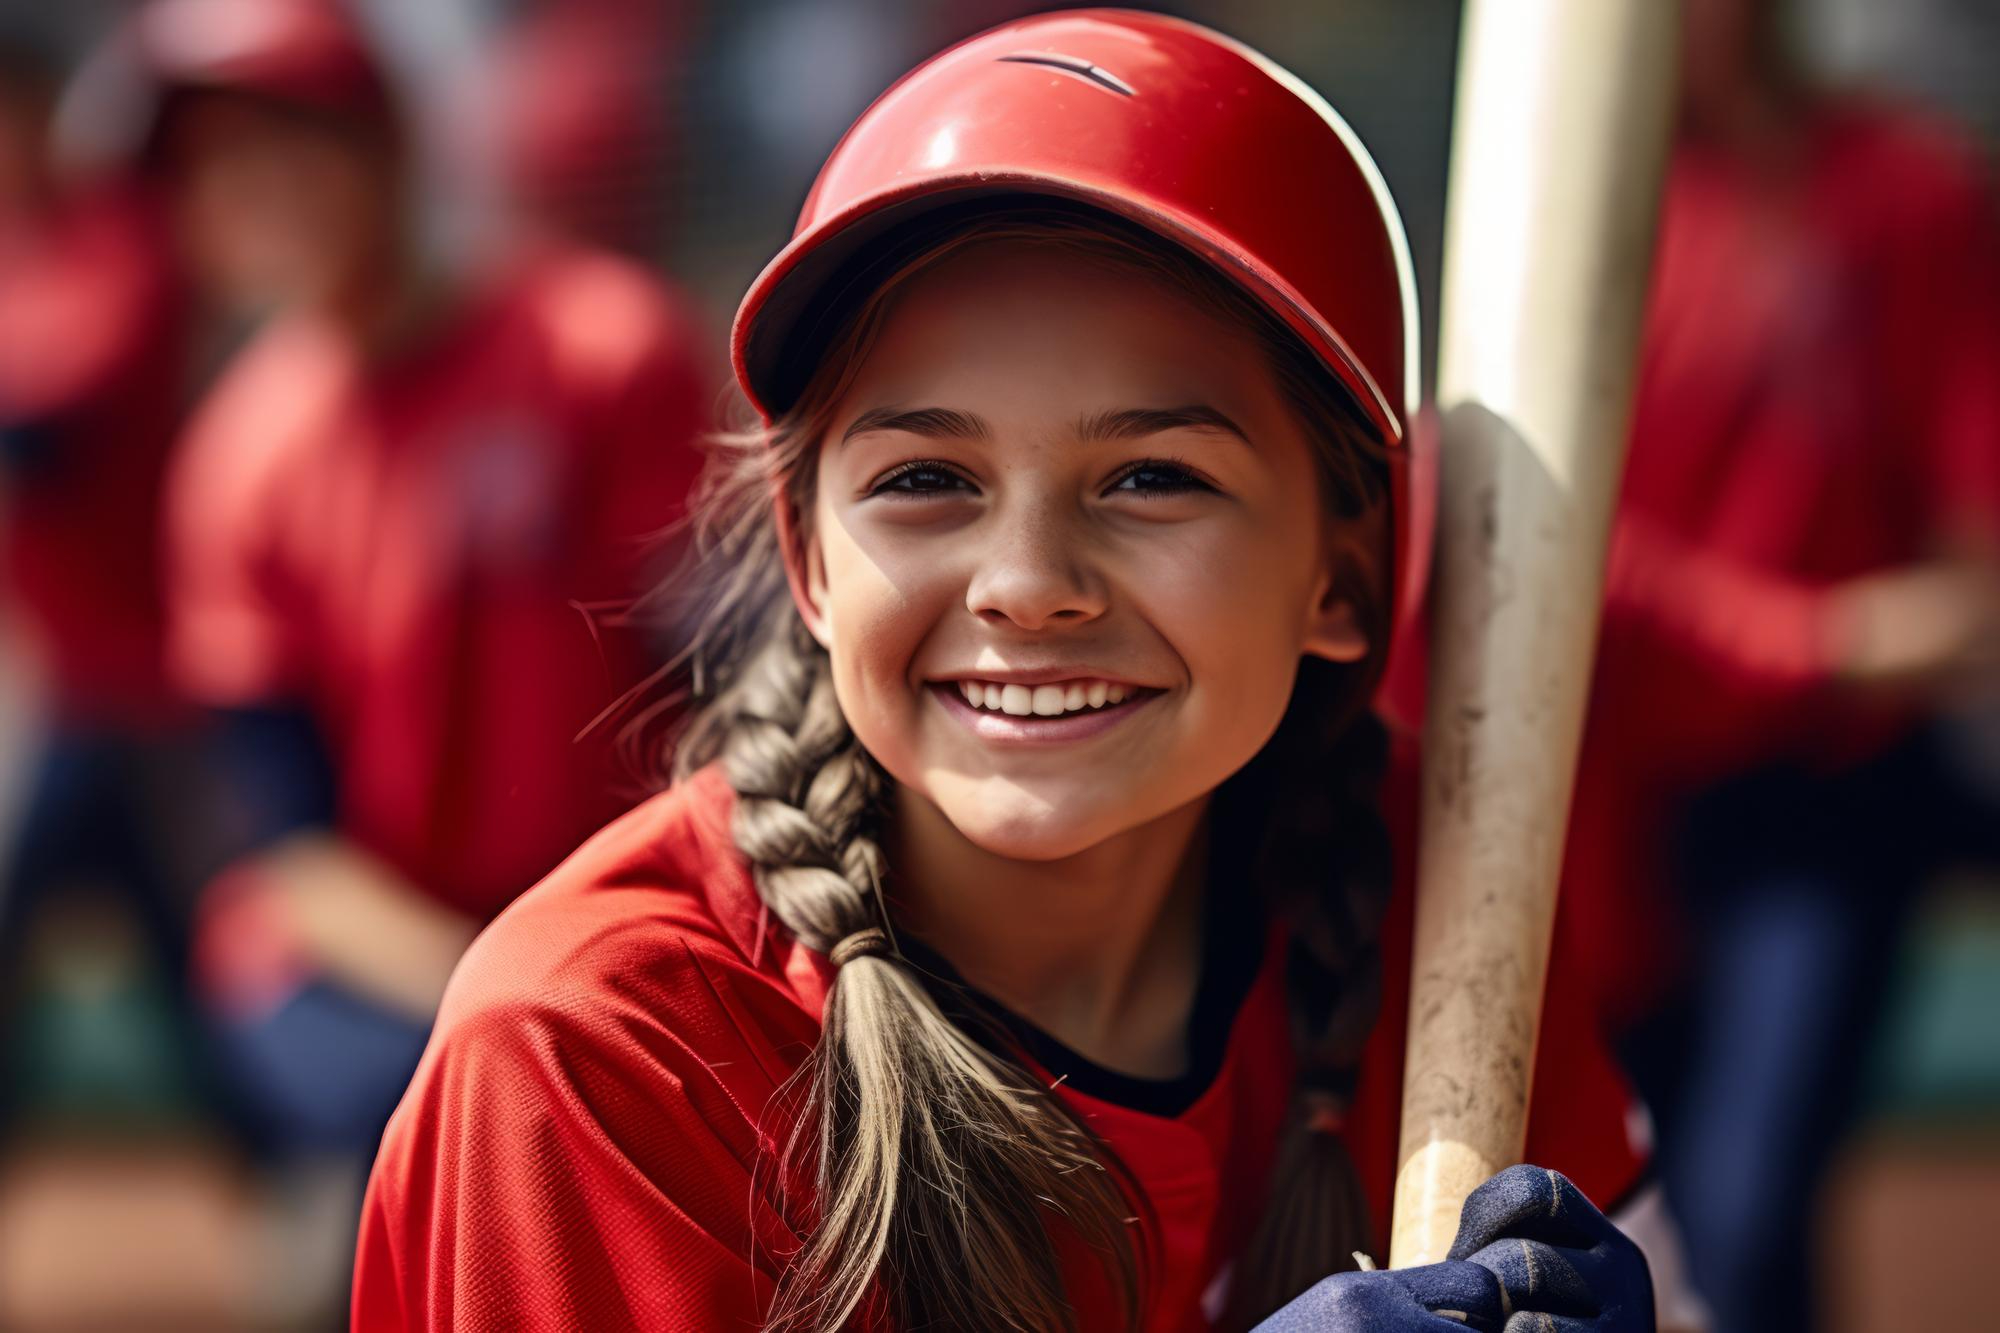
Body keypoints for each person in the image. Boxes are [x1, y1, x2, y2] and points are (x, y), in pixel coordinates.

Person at [355, 12, 1663, 1331]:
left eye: (1155, 478)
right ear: (810, 562)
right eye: (927, 481)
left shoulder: (1435, 891)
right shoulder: (597, 1048)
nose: (1026, 581)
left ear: (1343, 579)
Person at [135, 0, 709, 1160]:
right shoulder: (234, 461)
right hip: (372, 941)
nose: (252, 191)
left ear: (386, 143)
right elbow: (291, 847)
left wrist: (591, 962)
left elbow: (727, 686)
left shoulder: (602, 344)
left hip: (622, 895)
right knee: (467, 1116)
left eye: (284, 140)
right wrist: (494, 990)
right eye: (210, 169)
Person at [1543, 1, 2000, 1328]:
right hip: (1613, 792)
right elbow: (1573, 549)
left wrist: (1893, 637)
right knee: (1659, 1204)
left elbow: (1972, 517)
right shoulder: (1575, 216)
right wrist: (1807, 641)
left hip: (1825, 780)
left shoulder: (1902, 188)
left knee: (1748, 1203)